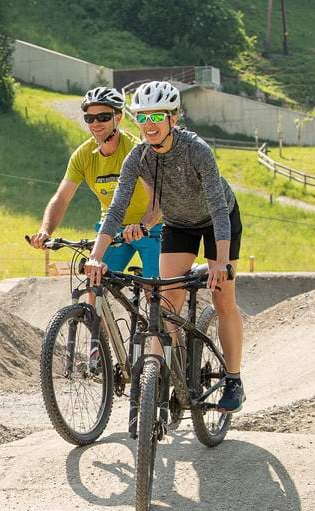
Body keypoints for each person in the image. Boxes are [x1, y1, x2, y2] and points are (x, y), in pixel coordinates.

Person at [86, 81, 246, 413]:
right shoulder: (138, 157)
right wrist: (95, 256)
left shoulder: (197, 150)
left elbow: (218, 207)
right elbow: (116, 210)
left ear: (173, 118)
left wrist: (219, 263)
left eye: (157, 116)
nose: (150, 124)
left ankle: (233, 379)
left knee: (223, 295)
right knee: (164, 301)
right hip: (178, 225)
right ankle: (162, 374)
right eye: (142, 117)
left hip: (218, 220)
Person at [28, 86, 163, 280]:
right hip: (112, 228)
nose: (95, 123)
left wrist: (143, 225)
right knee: (94, 279)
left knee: (154, 290)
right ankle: (91, 311)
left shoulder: (137, 152)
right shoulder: (82, 156)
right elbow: (61, 198)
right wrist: (45, 230)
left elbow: (157, 200)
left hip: (151, 227)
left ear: (118, 117)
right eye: (89, 119)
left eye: (103, 117)